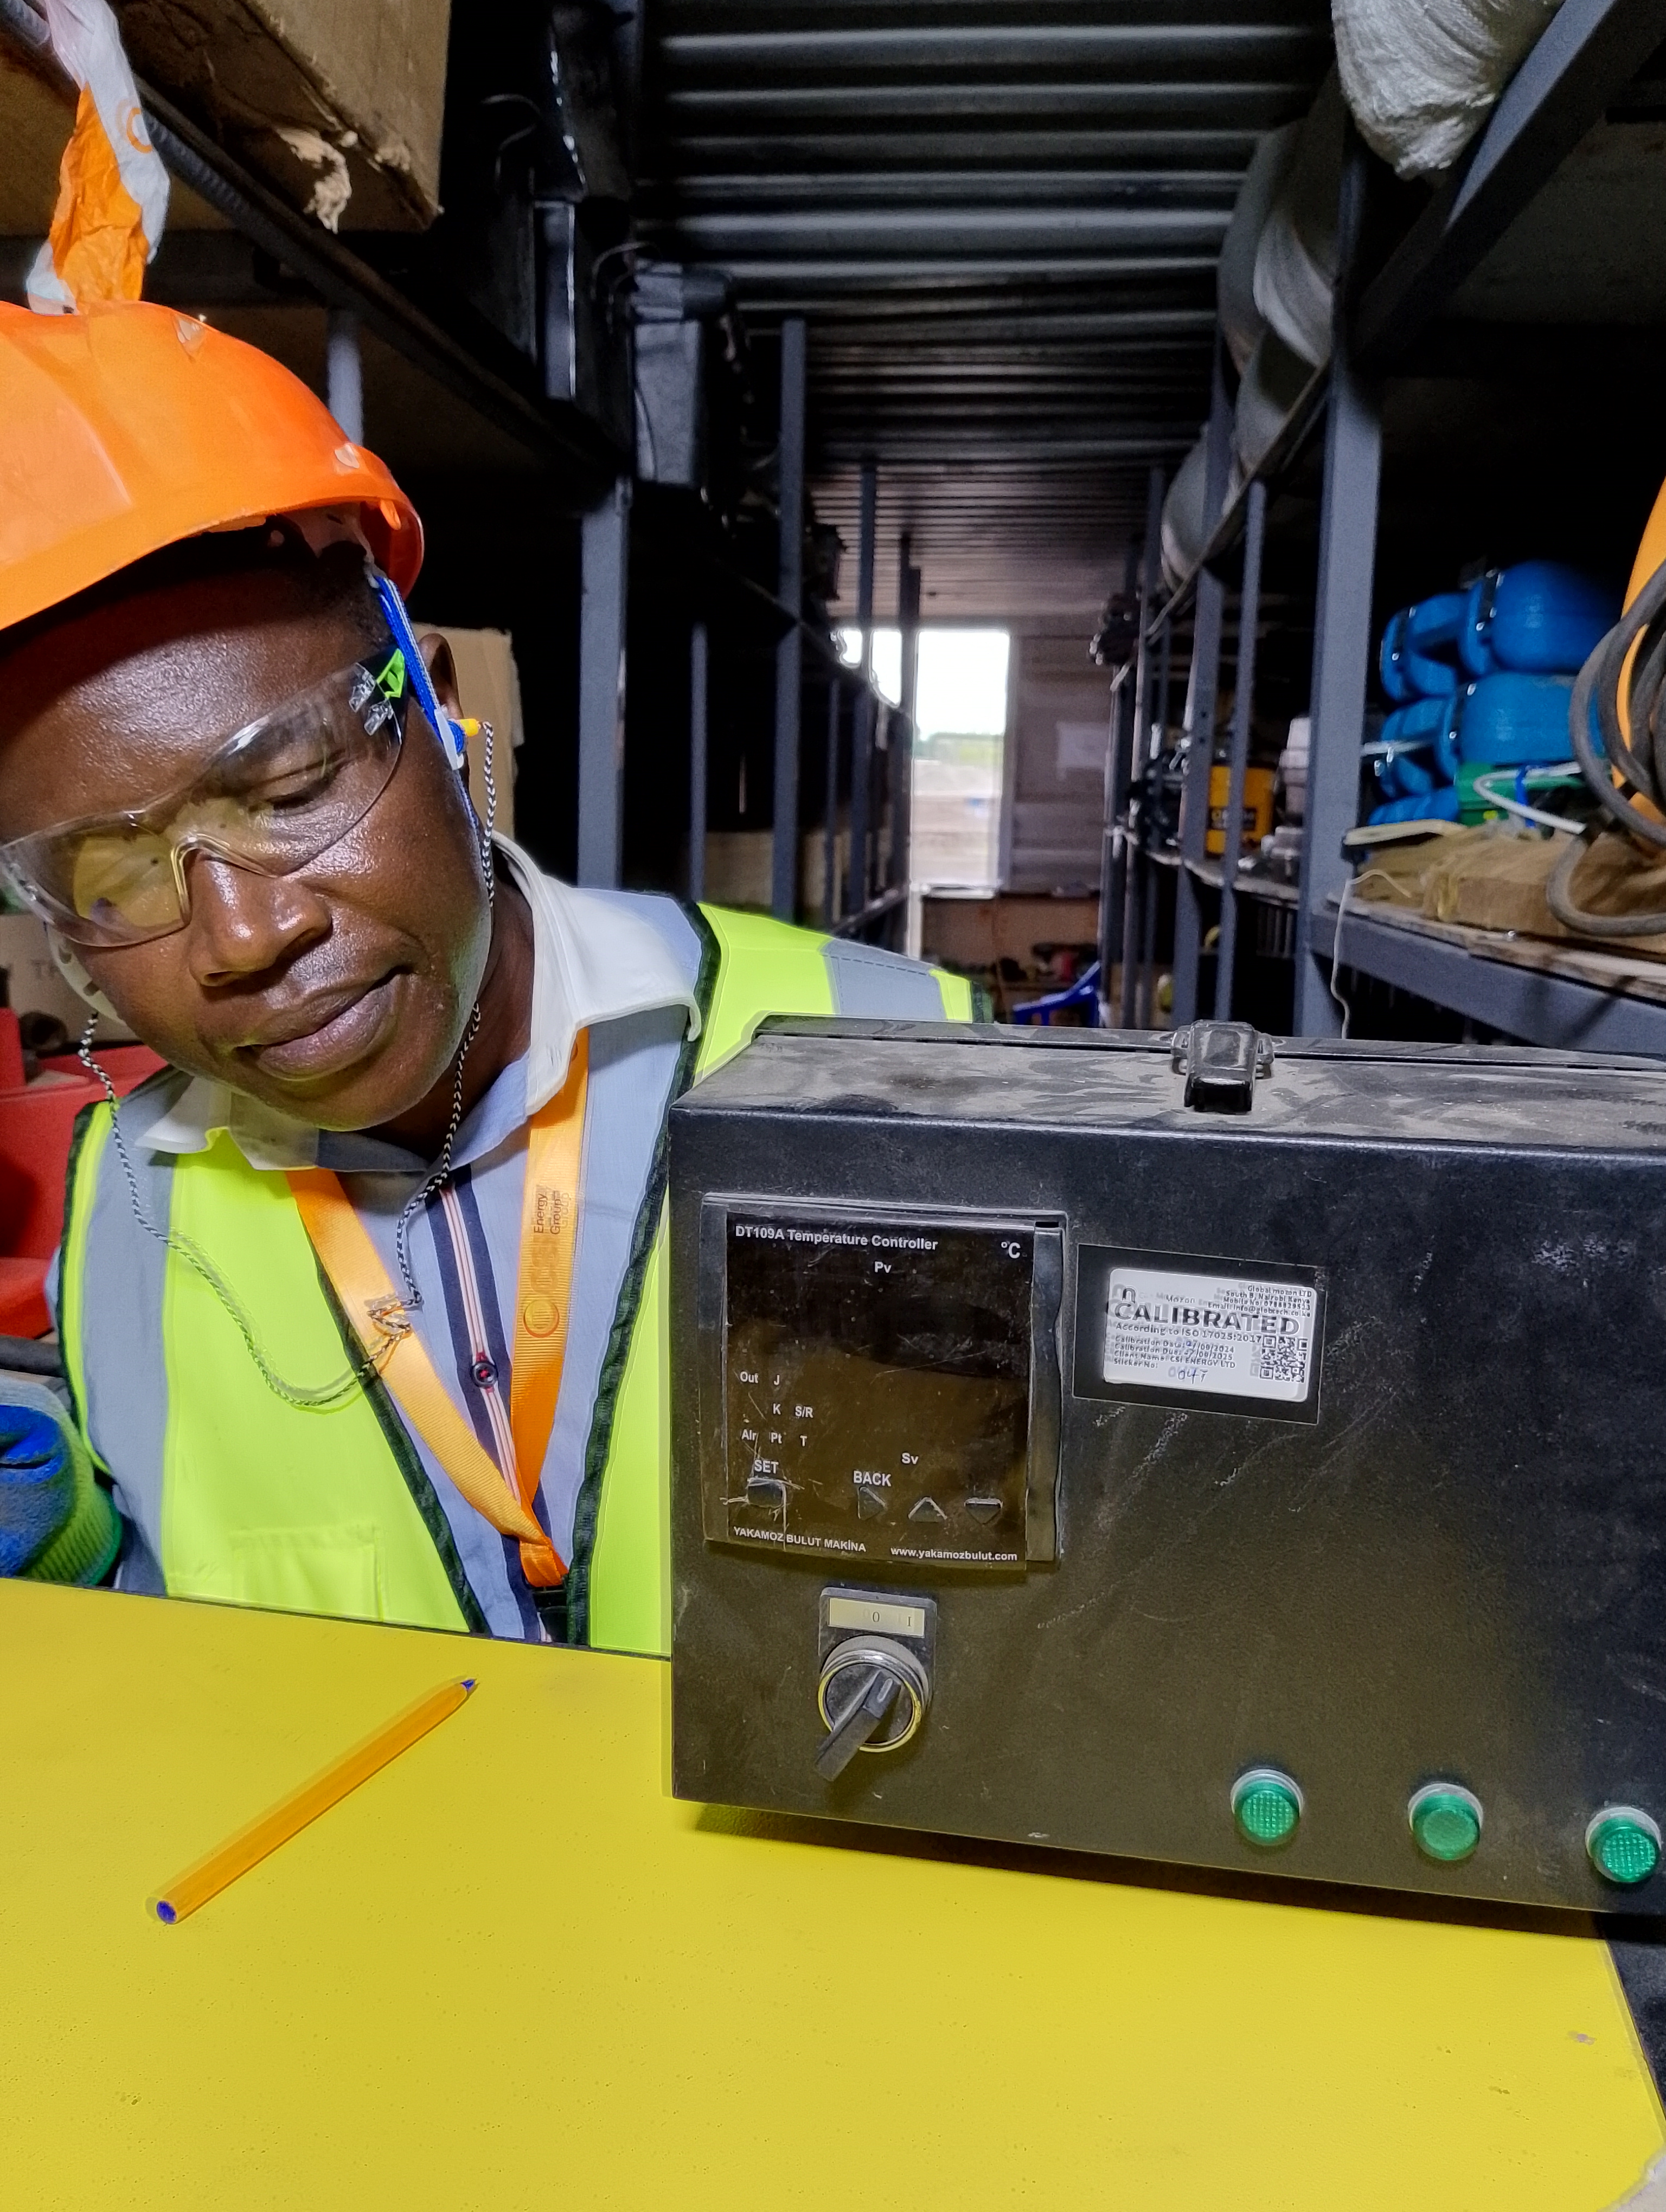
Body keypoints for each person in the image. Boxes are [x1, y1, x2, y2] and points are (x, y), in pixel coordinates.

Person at [0, 300, 975, 1653]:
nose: (241, 937)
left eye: (290, 788)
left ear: (443, 709)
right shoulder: (127, 1212)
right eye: (111, 877)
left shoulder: (899, 1062)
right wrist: (83, 1556)